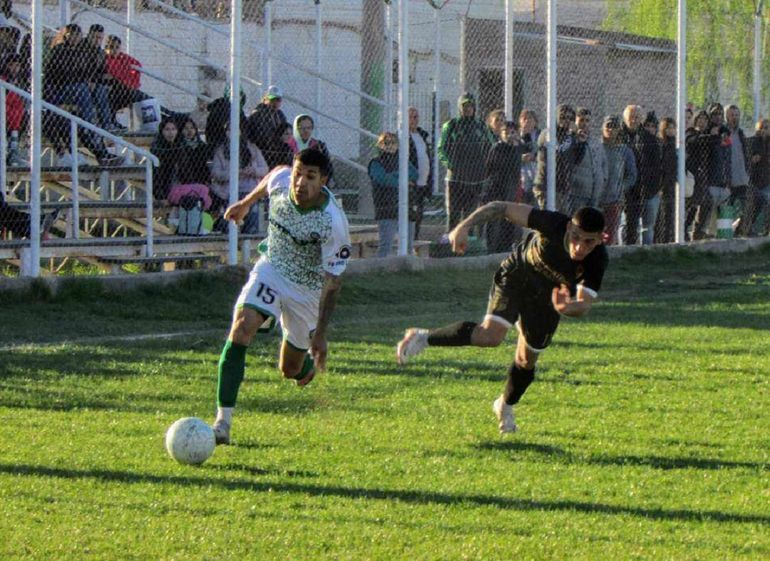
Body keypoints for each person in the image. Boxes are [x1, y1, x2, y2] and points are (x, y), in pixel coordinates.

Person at [396, 202, 608, 434]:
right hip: (517, 276)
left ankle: (504, 406)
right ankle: (423, 337)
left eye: (588, 241)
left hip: (547, 299)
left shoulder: (597, 260)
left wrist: (567, 307)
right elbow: (501, 208)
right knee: (490, 336)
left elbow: (583, 305)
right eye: (576, 236)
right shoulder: (552, 223)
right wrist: (463, 226)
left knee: (527, 361)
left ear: (600, 239)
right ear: (569, 227)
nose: (579, 247)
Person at [210, 149, 351, 445]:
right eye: (299, 173)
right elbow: (273, 174)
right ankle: (222, 423)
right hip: (272, 270)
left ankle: (303, 367)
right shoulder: (282, 180)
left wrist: (321, 336)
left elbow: (333, 282)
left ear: (323, 181)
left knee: (290, 370)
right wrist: (246, 204)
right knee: (241, 327)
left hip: (307, 292)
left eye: (310, 177)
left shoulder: (333, 222)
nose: (300, 182)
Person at [437, 92, 495, 231]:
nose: (468, 108)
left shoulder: (481, 125)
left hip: (476, 179)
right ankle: (451, 241)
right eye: (465, 106)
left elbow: (491, 146)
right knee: (454, 213)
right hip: (455, 179)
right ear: (459, 107)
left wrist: (485, 167)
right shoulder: (451, 125)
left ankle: (469, 241)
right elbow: (441, 149)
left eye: (470, 105)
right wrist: (451, 165)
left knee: (471, 214)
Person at [209, 122, 269, 234]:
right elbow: (216, 173)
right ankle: (228, 232)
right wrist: (234, 173)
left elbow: (265, 169)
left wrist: (253, 171)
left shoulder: (252, 149)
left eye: (236, 130)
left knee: (251, 202)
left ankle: (250, 233)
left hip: (249, 189)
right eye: (229, 130)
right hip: (229, 191)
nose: (233, 133)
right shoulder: (221, 151)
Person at [367, 131, 418, 257]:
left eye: (393, 142)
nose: (389, 145)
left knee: (408, 246)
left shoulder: (403, 160)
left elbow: (414, 174)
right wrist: (402, 179)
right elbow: (382, 179)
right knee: (386, 245)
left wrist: (394, 177)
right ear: (380, 145)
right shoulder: (376, 162)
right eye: (386, 142)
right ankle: (380, 269)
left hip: (406, 207)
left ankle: (407, 272)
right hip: (386, 208)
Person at [619, 105, 660, 245]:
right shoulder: (618, 136)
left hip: (646, 188)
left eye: (637, 117)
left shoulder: (649, 138)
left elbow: (657, 165)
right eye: (631, 117)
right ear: (625, 119)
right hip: (626, 189)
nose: (634, 120)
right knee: (627, 224)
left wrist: (654, 186)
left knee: (647, 227)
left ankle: (645, 253)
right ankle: (625, 250)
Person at [483, 120, 522, 253]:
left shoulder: (516, 148)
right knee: (495, 221)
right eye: (506, 132)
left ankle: (504, 249)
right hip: (496, 189)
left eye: (513, 132)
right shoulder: (497, 148)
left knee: (508, 220)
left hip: (510, 189)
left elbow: (516, 167)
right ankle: (492, 249)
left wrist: (516, 145)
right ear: (501, 133)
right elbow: (493, 167)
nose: (509, 135)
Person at [533, 104, 579, 212]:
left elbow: (576, 158)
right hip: (545, 185)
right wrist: (572, 136)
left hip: (562, 186)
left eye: (569, 118)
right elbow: (558, 151)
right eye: (562, 117)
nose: (566, 121)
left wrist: (579, 141)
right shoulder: (548, 133)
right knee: (547, 218)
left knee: (562, 219)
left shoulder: (569, 136)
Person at [600, 115, 637, 245]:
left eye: (614, 127)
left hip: (614, 200)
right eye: (608, 126)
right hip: (594, 198)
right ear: (602, 128)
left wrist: (620, 187)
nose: (611, 130)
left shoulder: (625, 151)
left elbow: (632, 176)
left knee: (610, 235)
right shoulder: (596, 147)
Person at [566, 107, 606, 216]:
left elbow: (603, 165)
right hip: (578, 193)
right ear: (576, 122)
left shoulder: (596, 142)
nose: (585, 123)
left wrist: (603, 180)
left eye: (587, 120)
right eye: (582, 120)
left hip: (595, 193)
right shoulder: (571, 140)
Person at [685, 110, 715, 240]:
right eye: (700, 119)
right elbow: (692, 141)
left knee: (706, 201)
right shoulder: (691, 132)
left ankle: (698, 230)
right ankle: (684, 228)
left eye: (705, 119)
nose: (702, 122)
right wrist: (712, 136)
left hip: (703, 175)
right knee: (691, 204)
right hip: (691, 175)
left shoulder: (708, 135)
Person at [724, 105, 751, 236]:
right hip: (729, 180)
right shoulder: (724, 133)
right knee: (726, 210)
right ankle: (725, 235)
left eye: (736, 115)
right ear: (727, 117)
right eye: (732, 115)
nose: (734, 117)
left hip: (742, 179)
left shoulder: (741, 133)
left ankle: (738, 231)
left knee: (748, 207)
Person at [407, 106, 432, 240]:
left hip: (423, 182)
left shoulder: (422, 135)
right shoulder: (402, 135)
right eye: (411, 117)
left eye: (416, 117)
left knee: (419, 213)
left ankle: (415, 238)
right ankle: (408, 240)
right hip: (411, 183)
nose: (414, 120)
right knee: (411, 212)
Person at [655, 117, 677, 243]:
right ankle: (662, 241)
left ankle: (670, 240)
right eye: (668, 128)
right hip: (663, 185)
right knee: (663, 216)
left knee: (671, 216)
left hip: (673, 185)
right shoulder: (661, 144)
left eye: (673, 128)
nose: (671, 130)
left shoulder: (676, 144)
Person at [245, 85, 287, 151]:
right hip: (261, 149)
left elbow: (286, 131)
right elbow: (261, 136)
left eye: (278, 100)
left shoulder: (280, 114)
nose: (275, 102)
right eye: (272, 99)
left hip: (277, 149)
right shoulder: (258, 114)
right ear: (265, 99)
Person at [293, 113, 333, 180]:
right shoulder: (288, 145)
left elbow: (328, 167)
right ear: (295, 129)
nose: (306, 131)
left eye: (309, 128)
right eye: (301, 128)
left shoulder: (319, 146)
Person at [150, 117, 182, 200]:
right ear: (162, 131)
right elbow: (157, 175)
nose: (171, 133)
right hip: (164, 187)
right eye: (167, 129)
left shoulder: (181, 145)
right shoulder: (157, 149)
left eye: (173, 129)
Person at [518, 109, 540, 206]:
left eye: (530, 118)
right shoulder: (516, 135)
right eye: (524, 119)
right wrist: (520, 157)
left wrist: (534, 157)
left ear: (535, 122)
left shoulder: (540, 134)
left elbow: (545, 152)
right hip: (522, 174)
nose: (527, 121)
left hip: (536, 172)